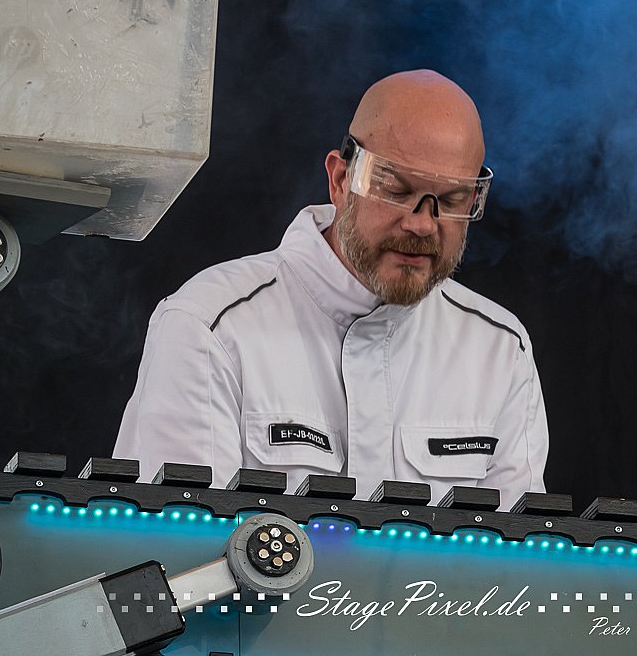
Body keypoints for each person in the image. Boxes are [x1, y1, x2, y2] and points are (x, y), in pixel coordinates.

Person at [113, 70, 548, 510]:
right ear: (340, 179)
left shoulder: (500, 350)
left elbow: (519, 548)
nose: (421, 223)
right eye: (398, 190)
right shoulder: (210, 329)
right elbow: (183, 542)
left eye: (451, 201)